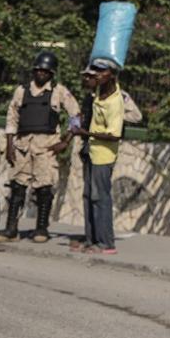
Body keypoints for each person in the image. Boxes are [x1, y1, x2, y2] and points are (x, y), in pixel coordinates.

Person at [0, 51, 80, 244]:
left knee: (44, 188)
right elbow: (12, 117)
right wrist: (10, 144)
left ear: (51, 74)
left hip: (46, 145)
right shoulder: (22, 91)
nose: (41, 74)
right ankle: (11, 229)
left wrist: (66, 140)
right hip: (22, 145)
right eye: (38, 71)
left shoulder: (59, 91)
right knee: (17, 187)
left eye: (45, 72)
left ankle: (41, 228)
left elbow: (76, 115)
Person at [75, 56, 125, 255]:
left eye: (101, 72)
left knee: (100, 197)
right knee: (88, 195)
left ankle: (106, 242)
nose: (96, 75)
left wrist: (86, 134)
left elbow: (115, 135)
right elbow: (85, 83)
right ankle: (90, 239)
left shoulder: (115, 102)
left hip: (103, 156)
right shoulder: (98, 93)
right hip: (91, 151)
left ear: (111, 75)